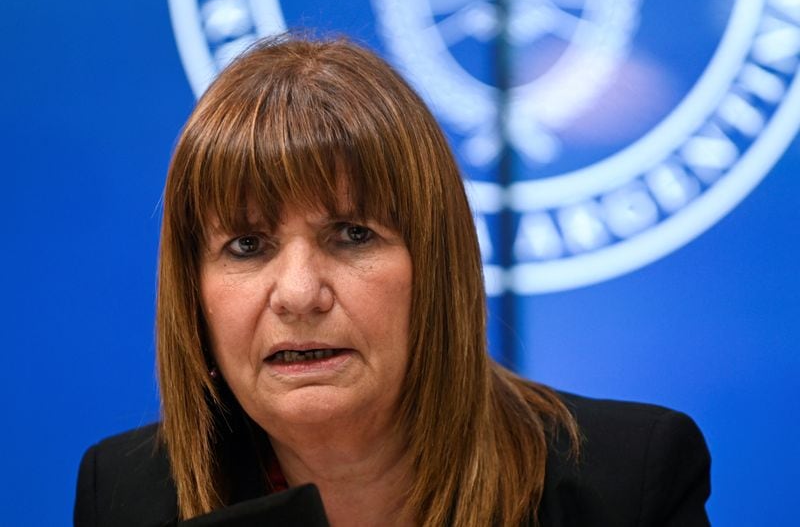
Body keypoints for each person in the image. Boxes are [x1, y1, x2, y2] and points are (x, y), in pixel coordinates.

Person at [74, 35, 711, 526]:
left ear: (437, 269)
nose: (298, 294)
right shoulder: (128, 496)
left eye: (352, 234)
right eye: (246, 246)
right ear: (194, 297)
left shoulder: (626, 485)